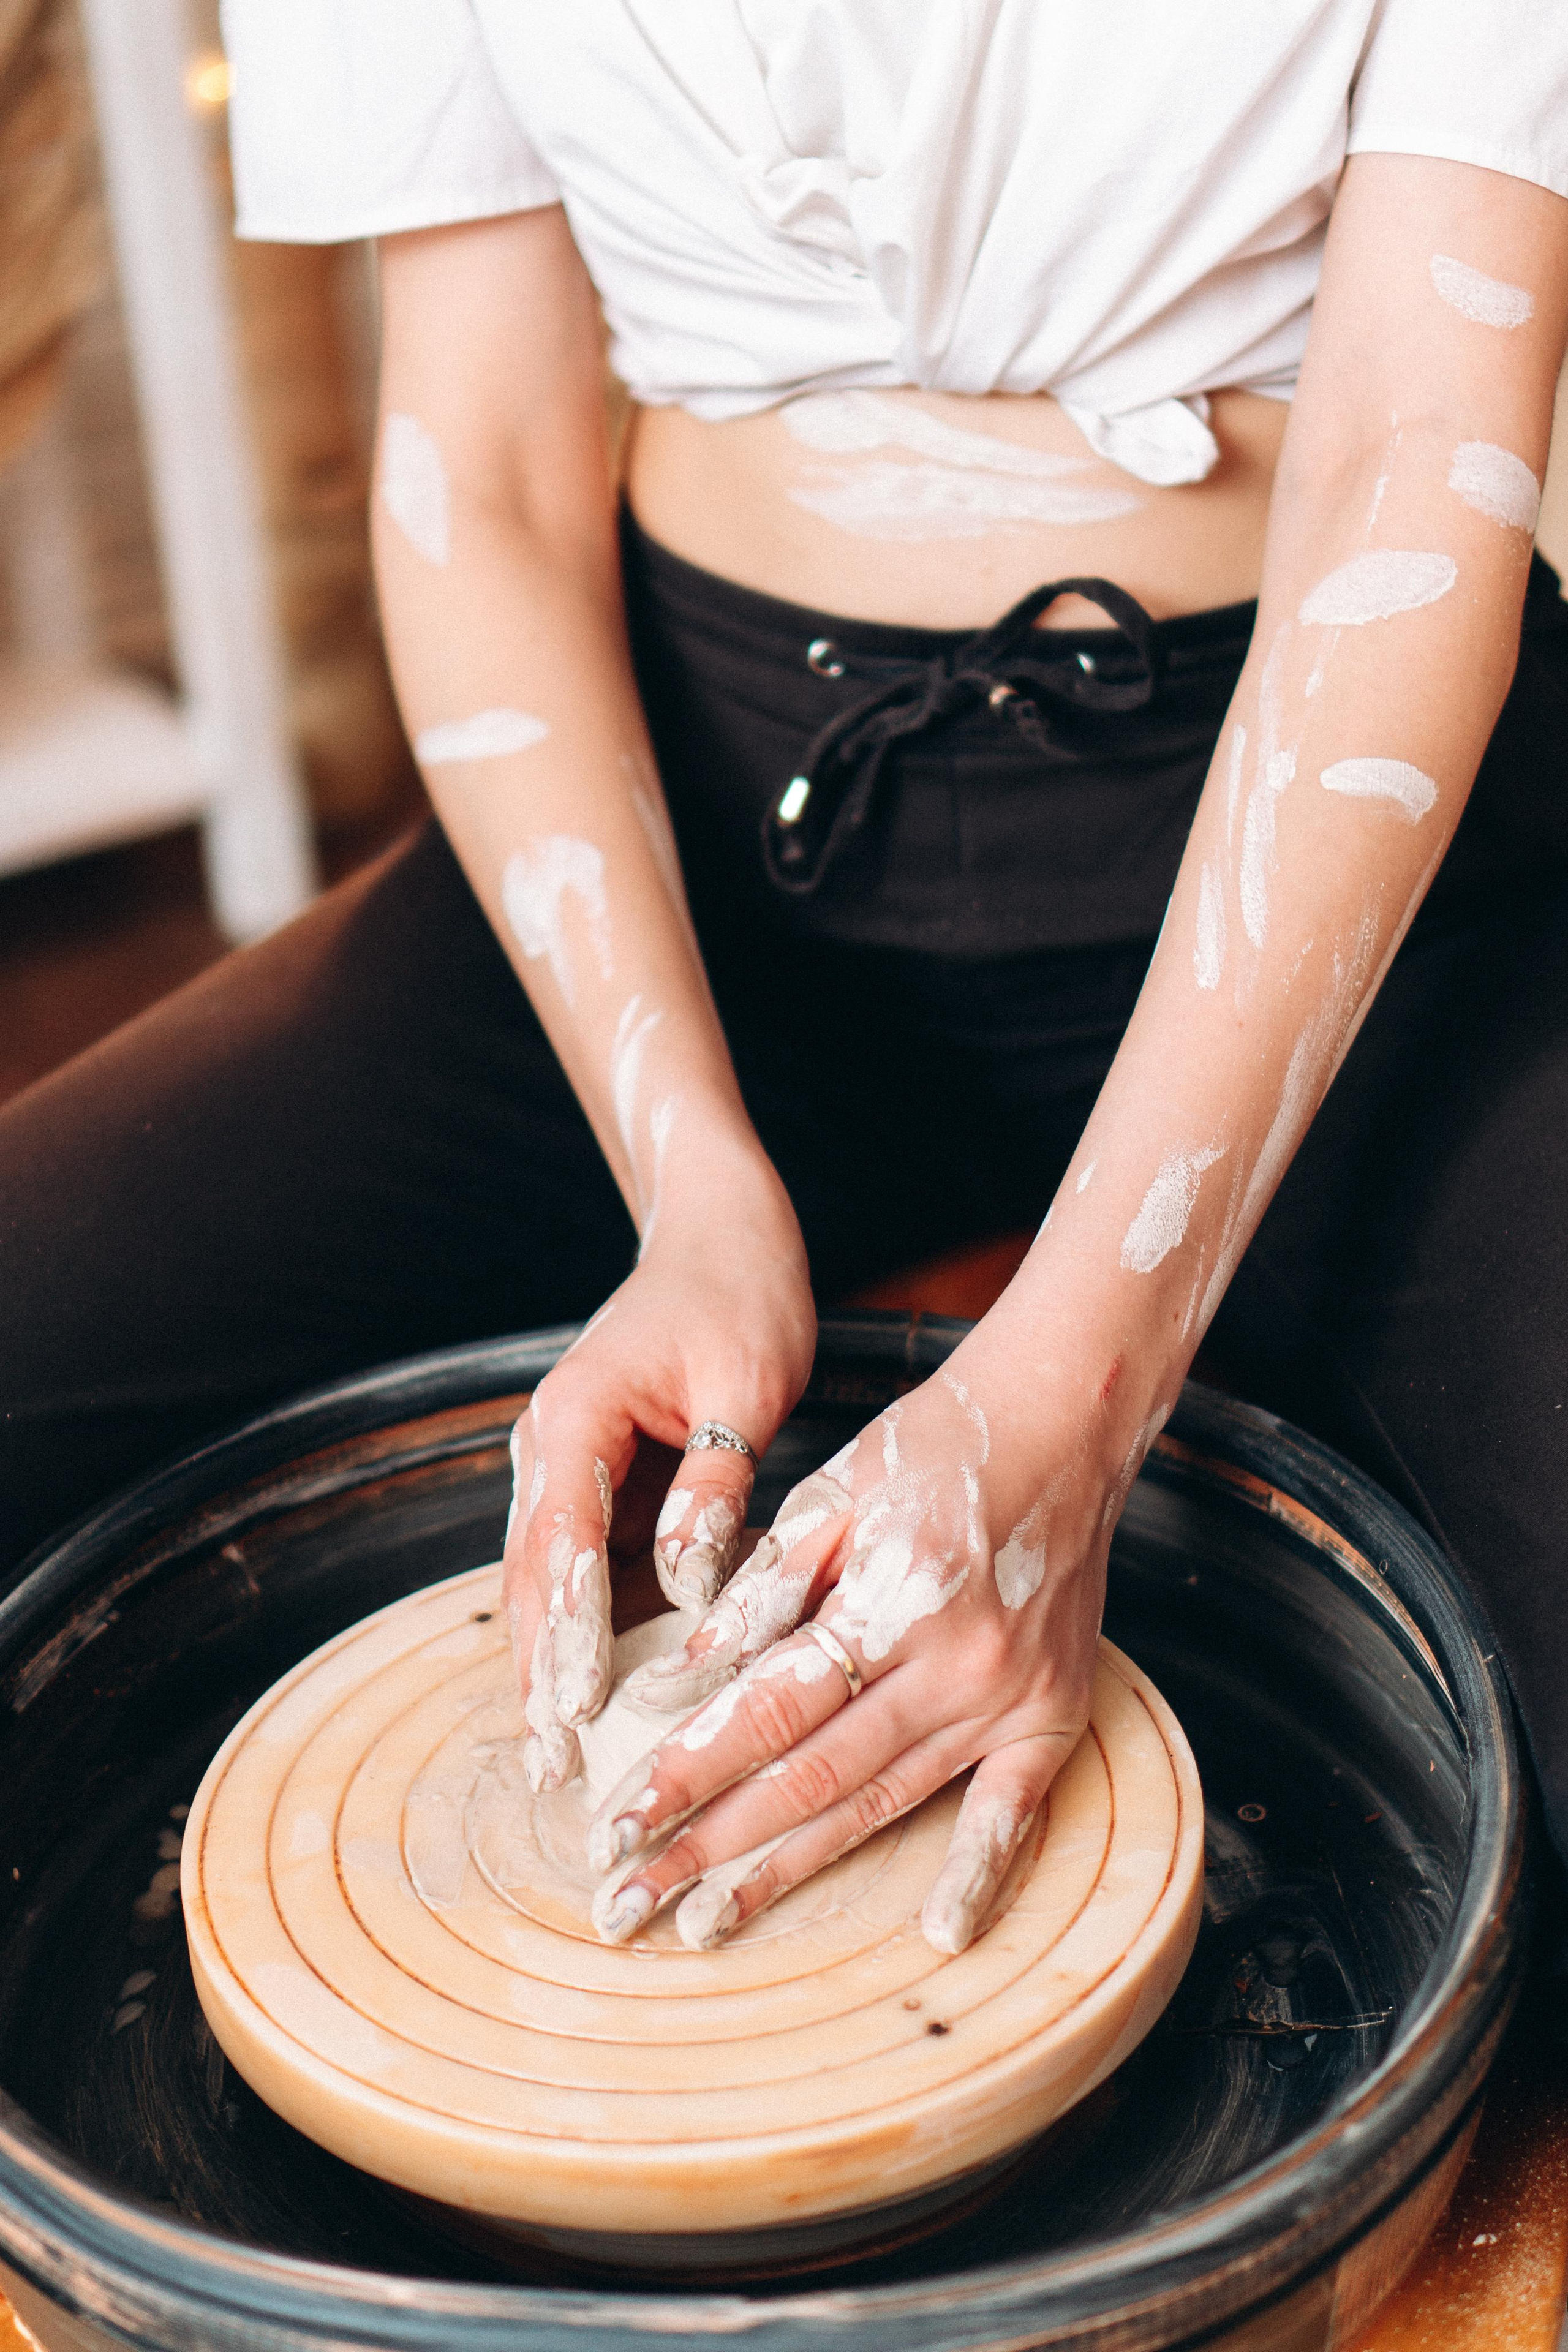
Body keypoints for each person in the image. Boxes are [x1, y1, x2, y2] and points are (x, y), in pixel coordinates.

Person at [3, 1, 1566, 1958]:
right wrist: (684, 1172)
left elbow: (1417, 474)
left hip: (1358, 866)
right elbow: (479, 466)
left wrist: (1074, 1397)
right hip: (682, 840)